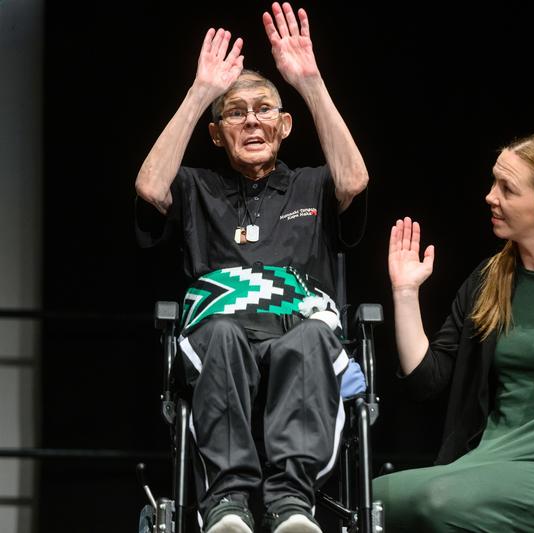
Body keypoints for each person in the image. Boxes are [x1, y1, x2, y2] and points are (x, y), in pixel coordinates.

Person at [134, 2, 368, 533]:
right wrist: (200, 95)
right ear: (217, 134)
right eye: (235, 113)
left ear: (285, 126)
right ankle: (228, 504)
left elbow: (353, 181)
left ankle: (291, 504)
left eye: (264, 109)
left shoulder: (312, 184)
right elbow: (150, 187)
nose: (252, 120)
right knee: (220, 335)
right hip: (221, 340)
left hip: (298, 335)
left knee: (309, 338)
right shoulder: (198, 187)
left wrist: (309, 82)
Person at [374, 132, 534, 532]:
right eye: (494, 182)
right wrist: (406, 293)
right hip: (485, 459)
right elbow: (426, 382)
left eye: (507, 189)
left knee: (437, 502)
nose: (490, 196)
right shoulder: (488, 279)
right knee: (371, 498)